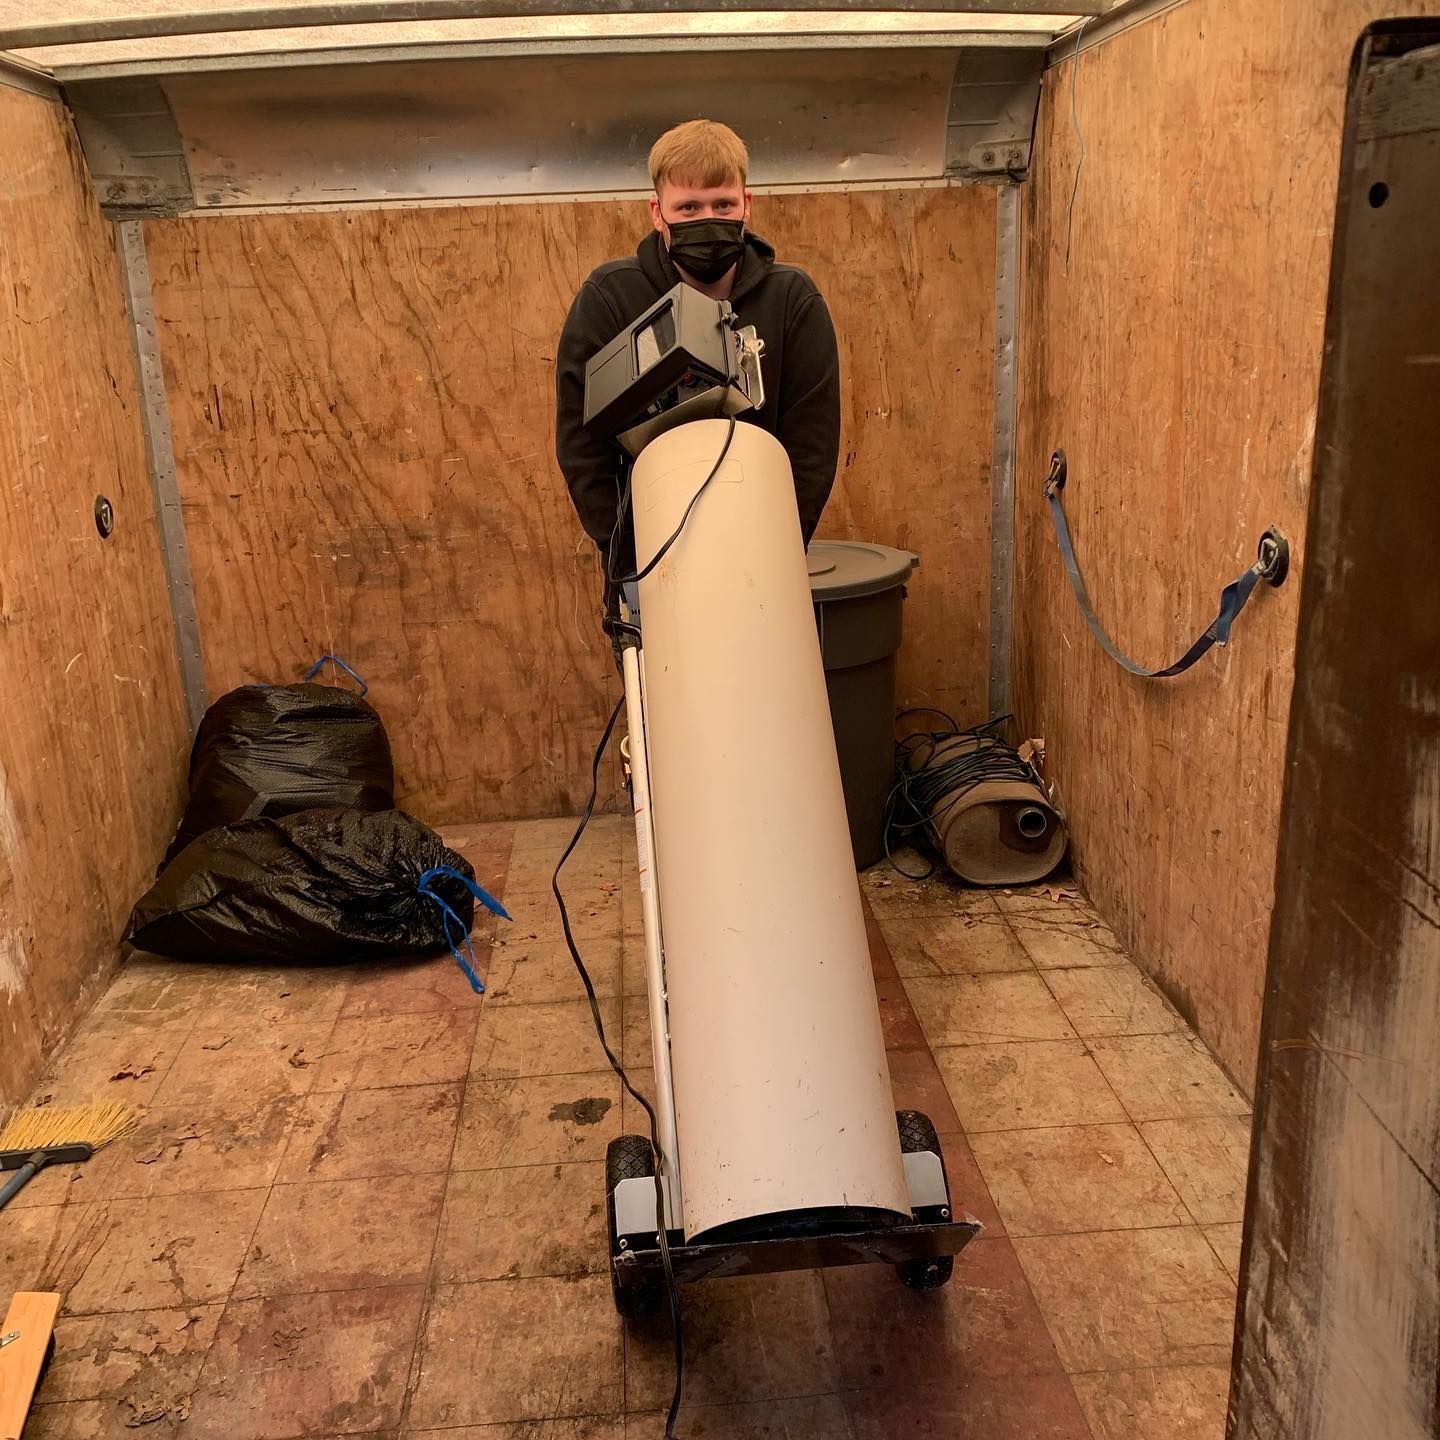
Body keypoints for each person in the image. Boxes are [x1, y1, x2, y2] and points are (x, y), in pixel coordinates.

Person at [554, 119, 842, 582]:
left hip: (763, 559)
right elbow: (580, 443)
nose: (707, 218)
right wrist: (632, 560)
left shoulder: (793, 301)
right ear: (657, 212)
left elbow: (811, 449)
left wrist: (779, 551)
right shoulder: (610, 298)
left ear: (747, 205)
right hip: (650, 566)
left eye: (722, 203)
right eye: (687, 207)